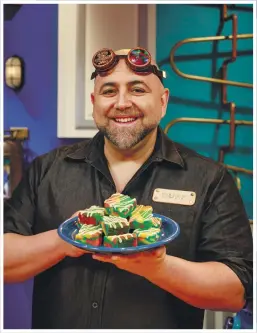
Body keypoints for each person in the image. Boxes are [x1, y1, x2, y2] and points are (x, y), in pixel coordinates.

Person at [4, 47, 253, 329]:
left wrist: (158, 268)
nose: (122, 103)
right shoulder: (46, 170)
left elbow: (235, 292)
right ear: (94, 101)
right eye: (109, 91)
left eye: (137, 90)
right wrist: (66, 239)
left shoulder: (211, 179)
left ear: (163, 102)